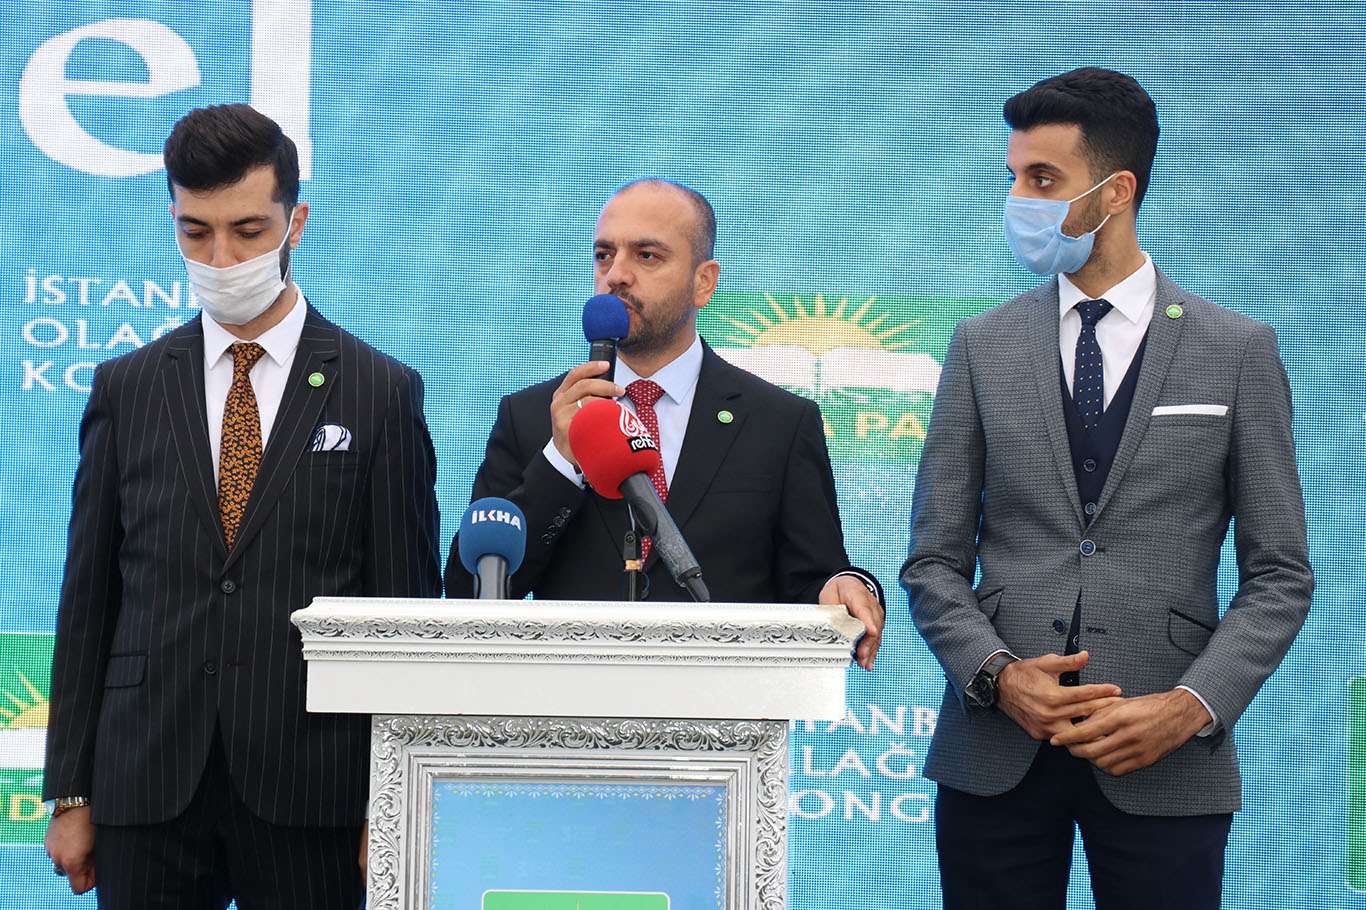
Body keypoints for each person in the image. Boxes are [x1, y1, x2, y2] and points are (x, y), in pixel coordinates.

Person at [902, 67, 1312, 909]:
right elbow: (932, 562)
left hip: (1166, 754)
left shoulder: (1237, 349)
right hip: (994, 753)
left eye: (1041, 179)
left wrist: (1191, 705)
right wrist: (997, 674)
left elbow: (1280, 574)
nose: (1017, 199)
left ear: (1116, 191)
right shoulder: (981, 344)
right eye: (1013, 177)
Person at [42, 103, 441, 908]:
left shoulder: (380, 392)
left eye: (248, 230)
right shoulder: (127, 388)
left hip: (313, 789)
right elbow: (89, 600)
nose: (221, 258)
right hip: (146, 779)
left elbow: (402, 614)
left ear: (297, 221)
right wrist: (70, 791)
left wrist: (393, 799)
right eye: (196, 232)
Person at [446, 178, 884, 667]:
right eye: (604, 255)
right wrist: (561, 460)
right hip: (569, 701)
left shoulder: (779, 423)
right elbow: (470, 590)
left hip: (723, 702)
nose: (616, 275)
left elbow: (816, 580)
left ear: (704, 282)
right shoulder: (531, 417)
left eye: (647, 256)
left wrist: (847, 585)